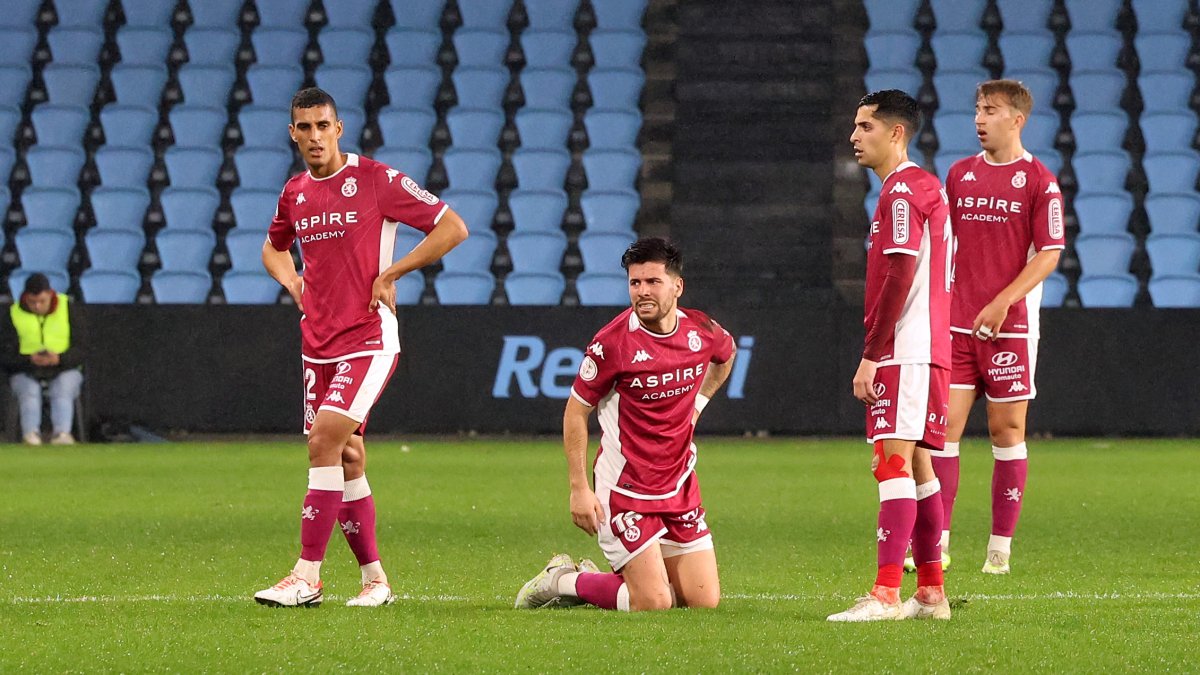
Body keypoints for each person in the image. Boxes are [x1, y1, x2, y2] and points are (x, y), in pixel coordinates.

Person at [254, 87, 468, 607]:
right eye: (303, 128)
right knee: (347, 456)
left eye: (322, 125)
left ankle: (307, 575)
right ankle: (376, 582)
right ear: (293, 134)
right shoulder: (295, 192)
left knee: (323, 442)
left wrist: (394, 270)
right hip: (317, 345)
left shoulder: (376, 180)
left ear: (338, 127)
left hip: (369, 338)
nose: (314, 136)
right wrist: (294, 285)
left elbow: (452, 227)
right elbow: (273, 246)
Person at [514, 237, 737, 612]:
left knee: (703, 601)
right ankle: (563, 580)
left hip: (679, 484)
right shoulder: (612, 344)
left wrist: (697, 404)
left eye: (653, 282)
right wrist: (578, 488)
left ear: (677, 286)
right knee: (653, 603)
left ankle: (627, 576)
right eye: (635, 283)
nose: (642, 292)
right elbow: (575, 412)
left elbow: (725, 355)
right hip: (624, 491)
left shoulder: (700, 329)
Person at [827, 90, 953, 622]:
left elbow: (900, 273)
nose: (855, 137)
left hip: (905, 352)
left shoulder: (901, 194)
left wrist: (872, 355)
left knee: (891, 462)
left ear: (896, 132)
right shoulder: (925, 188)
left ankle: (884, 594)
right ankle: (930, 592)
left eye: (865, 127)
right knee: (919, 467)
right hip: (928, 350)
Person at [935, 80, 1064, 575]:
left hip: (1009, 328)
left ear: (1018, 119)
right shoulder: (959, 174)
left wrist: (1003, 302)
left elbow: (1049, 253)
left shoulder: (1039, 181)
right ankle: (937, 542)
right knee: (943, 429)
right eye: (977, 109)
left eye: (990, 110)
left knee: (1006, 429)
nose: (979, 118)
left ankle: (999, 550)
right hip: (957, 324)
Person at [1, 273, 84, 446]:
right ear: (25, 297)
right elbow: (5, 355)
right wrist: (29, 360)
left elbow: (83, 349)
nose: (37, 306)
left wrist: (60, 359)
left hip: (64, 368)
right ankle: (30, 435)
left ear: (50, 295)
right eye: (32, 302)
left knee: (62, 388)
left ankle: (62, 434)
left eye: (42, 301)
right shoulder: (12, 314)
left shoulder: (68, 308)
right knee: (28, 391)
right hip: (26, 369)